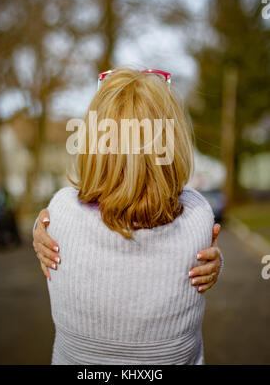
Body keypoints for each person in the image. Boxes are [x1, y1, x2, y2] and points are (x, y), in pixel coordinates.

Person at [33, 68, 224, 365]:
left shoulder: (60, 212)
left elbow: (57, 213)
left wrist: (39, 226)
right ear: (174, 142)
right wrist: (216, 263)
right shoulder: (198, 216)